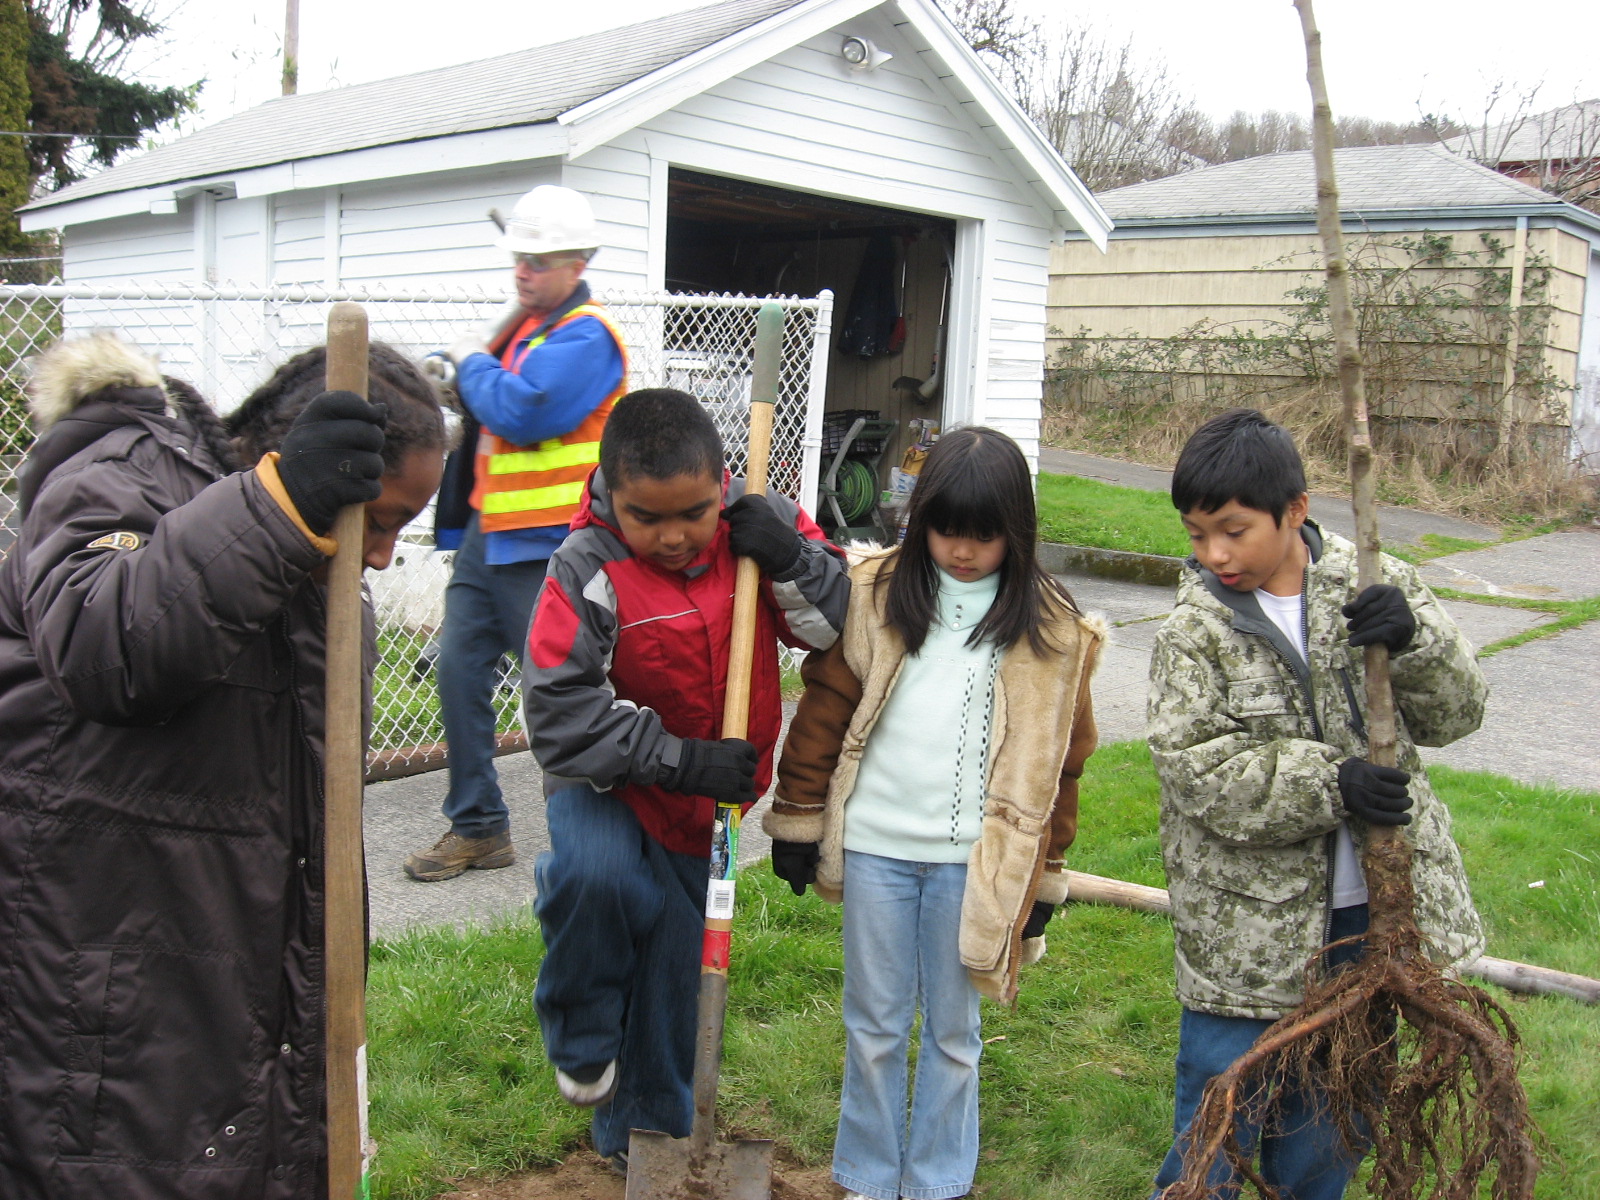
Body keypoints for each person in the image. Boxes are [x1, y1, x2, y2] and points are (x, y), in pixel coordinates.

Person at [0, 332, 448, 1198]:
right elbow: (102, 646)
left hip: (228, 989)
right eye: (382, 521)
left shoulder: (317, 568)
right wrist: (282, 508)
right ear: (289, 462)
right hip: (96, 992)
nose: (387, 553)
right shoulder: (124, 476)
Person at [1146, 408, 1487, 1199]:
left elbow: (1458, 714)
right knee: (1217, 1120)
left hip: (1369, 921)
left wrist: (1415, 645)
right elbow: (1195, 768)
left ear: (1295, 510)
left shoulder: (1375, 585)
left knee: (1332, 1127)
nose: (1214, 554)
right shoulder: (1196, 631)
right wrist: (1329, 782)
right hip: (1247, 936)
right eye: (1197, 534)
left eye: (1232, 530)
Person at [764, 427, 1103, 1200]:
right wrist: (799, 814)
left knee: (955, 1032)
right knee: (874, 1024)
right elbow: (825, 707)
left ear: (1015, 531)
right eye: (948, 530)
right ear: (920, 520)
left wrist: (1044, 879)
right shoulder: (876, 593)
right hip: (878, 851)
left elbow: (1065, 763)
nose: (962, 551)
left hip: (975, 868)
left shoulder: (1053, 628)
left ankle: (939, 1180)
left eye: (984, 536)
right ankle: (868, 1174)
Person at [521, 388, 849, 1169]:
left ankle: (646, 1146)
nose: (673, 536)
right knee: (597, 880)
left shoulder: (760, 526)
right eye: (647, 517)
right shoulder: (586, 564)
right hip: (608, 783)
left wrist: (791, 558)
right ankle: (581, 1029)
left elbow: (835, 626)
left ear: (723, 481)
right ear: (610, 498)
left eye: (694, 513)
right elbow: (559, 717)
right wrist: (678, 756)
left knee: (675, 975)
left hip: (710, 800)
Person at [405, 183, 628, 883]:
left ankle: (590, 839)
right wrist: (460, 373)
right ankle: (478, 826)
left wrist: (471, 365)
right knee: (457, 675)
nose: (522, 273)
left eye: (537, 261)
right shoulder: (529, 331)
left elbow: (528, 412)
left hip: (552, 547)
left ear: (577, 262)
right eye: (519, 260)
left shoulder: (588, 337)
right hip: (490, 536)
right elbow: (492, 403)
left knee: (555, 697)